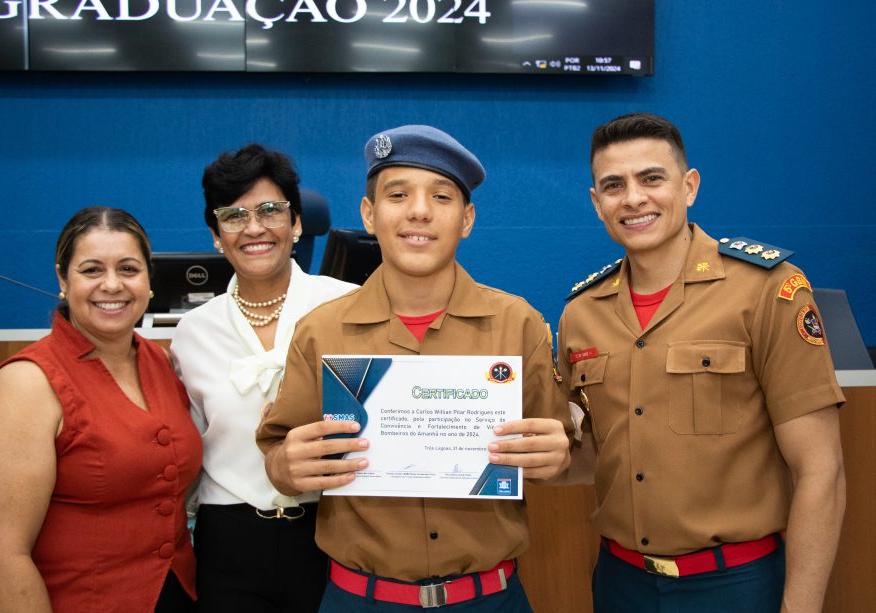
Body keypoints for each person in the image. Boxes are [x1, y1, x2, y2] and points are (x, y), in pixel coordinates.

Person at [257, 124, 572, 612]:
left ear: (466, 218)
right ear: (369, 214)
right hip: (360, 599)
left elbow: (552, 457)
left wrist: (556, 456)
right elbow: (278, 456)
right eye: (397, 194)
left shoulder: (519, 324)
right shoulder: (321, 331)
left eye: (441, 196)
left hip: (489, 599)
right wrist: (286, 465)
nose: (419, 210)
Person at [557, 112, 846, 612]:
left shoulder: (767, 290)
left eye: (652, 178)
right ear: (596, 203)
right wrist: (520, 455)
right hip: (620, 584)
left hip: (736, 585)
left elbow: (821, 470)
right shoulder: (582, 314)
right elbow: (597, 457)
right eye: (613, 185)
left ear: (689, 186)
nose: (633, 198)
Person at [0, 206, 201, 612]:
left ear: (148, 281)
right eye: (92, 270)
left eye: (128, 269)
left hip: (173, 596)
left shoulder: (162, 362)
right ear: (62, 279)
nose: (112, 285)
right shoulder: (26, 383)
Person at [170, 144, 357, 612]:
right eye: (234, 216)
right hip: (228, 542)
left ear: (295, 223)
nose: (254, 228)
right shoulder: (193, 332)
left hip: (331, 529)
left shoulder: (349, 307)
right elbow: (190, 446)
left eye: (270, 210)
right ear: (216, 234)